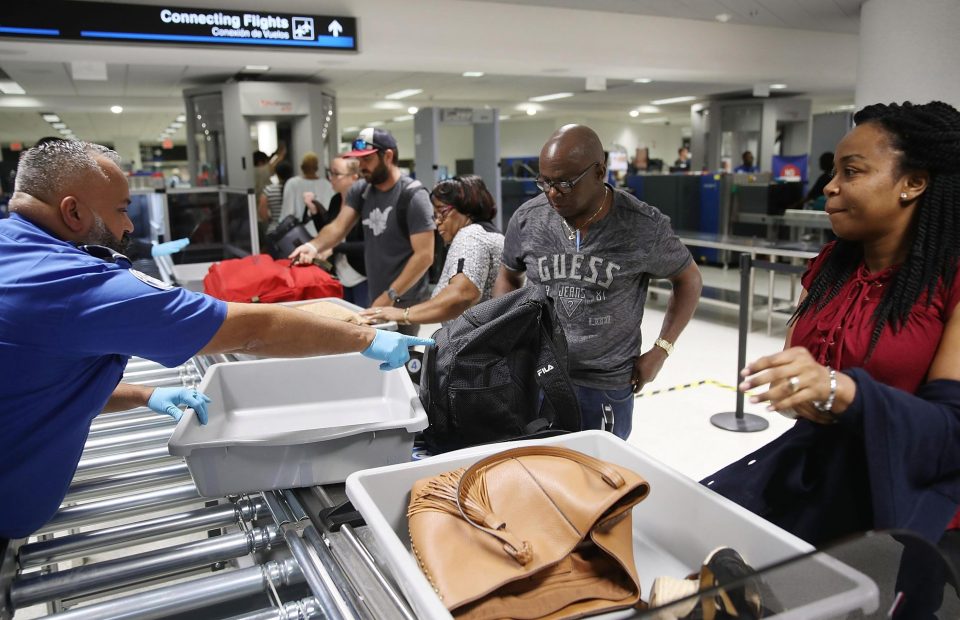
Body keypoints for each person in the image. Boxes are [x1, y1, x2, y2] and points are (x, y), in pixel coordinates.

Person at [0, 140, 433, 540]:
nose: (129, 224)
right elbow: (252, 330)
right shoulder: (75, 283)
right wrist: (364, 338)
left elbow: (38, 378)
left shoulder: (13, 249)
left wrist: (140, 395)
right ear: (73, 213)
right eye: (120, 209)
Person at [703, 102, 960, 557]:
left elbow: (950, 432)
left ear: (914, 183)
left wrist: (841, 392)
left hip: (908, 520)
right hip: (820, 491)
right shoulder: (829, 269)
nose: (830, 187)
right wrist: (800, 390)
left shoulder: (950, 282)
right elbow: (800, 391)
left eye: (852, 172)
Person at [493, 124, 703, 439]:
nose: (553, 193)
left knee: (600, 479)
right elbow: (509, 275)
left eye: (564, 183)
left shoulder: (643, 226)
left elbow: (689, 280)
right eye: (545, 182)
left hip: (605, 384)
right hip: (539, 373)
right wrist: (506, 336)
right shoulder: (528, 218)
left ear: (600, 172)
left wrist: (661, 350)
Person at [288, 128, 436, 336]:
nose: (361, 167)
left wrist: (390, 295)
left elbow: (425, 256)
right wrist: (313, 246)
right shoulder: (362, 190)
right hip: (376, 292)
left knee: (401, 361)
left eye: (367, 160)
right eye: (359, 160)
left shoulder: (413, 196)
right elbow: (339, 227)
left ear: (388, 156)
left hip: (404, 299)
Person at [360, 175, 504, 327]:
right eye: (435, 215)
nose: (437, 221)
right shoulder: (493, 235)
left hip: (477, 346)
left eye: (442, 212)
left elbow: (463, 294)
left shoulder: (471, 236)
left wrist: (403, 314)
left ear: (467, 207)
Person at [321, 156, 368, 306]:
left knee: (364, 323)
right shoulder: (335, 200)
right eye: (330, 173)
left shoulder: (366, 203)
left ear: (354, 177)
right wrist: (315, 212)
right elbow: (331, 232)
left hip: (363, 274)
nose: (331, 178)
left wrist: (335, 248)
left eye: (336, 174)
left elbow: (370, 245)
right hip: (340, 274)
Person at [279, 152, 334, 226]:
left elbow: (287, 212)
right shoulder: (326, 184)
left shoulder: (292, 183)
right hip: (322, 229)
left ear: (302, 167)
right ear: (316, 167)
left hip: (300, 230)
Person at [258, 160, 294, 230]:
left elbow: (262, 213)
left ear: (277, 174)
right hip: (293, 229)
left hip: (275, 230)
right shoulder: (296, 189)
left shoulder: (269, 190)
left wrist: (271, 220)